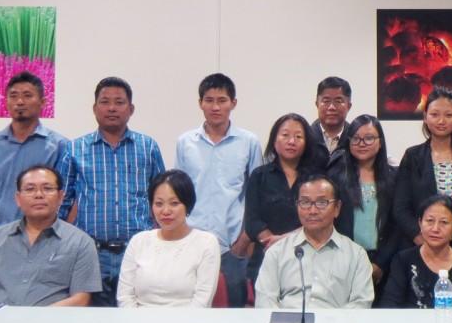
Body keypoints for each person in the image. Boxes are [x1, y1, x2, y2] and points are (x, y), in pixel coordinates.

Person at [57, 77, 165, 306]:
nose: (112, 108)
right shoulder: (75, 149)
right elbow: (62, 203)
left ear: (131, 109)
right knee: (94, 321)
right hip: (91, 253)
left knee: (139, 318)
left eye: (119, 102)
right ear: (95, 108)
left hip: (139, 251)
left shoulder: (148, 147)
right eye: (105, 102)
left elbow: (162, 198)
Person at [175, 73, 262, 307]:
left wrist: (244, 240)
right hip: (191, 242)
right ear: (200, 103)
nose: (215, 107)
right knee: (191, 309)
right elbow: (178, 193)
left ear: (233, 103)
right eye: (209, 100)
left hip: (232, 245)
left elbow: (256, 195)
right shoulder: (185, 142)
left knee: (233, 313)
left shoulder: (249, 142)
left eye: (222, 100)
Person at [0, 166, 101, 307]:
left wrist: (34, 319)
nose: (38, 195)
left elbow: (81, 299)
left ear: (60, 197)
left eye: (47, 188)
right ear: (18, 199)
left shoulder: (80, 242)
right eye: (30, 189)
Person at [392, 87, 452, 260]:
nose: (441, 121)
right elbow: (400, 209)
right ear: (425, 117)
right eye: (434, 114)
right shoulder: (413, 156)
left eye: (449, 115)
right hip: (418, 252)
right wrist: (428, 248)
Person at [254, 175, 374, 309]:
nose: (312, 211)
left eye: (322, 203)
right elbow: (265, 301)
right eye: (305, 202)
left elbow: (361, 303)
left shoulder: (356, 255)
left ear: (337, 208)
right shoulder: (277, 252)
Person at [116, 170, 221, 308]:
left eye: (174, 203)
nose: (165, 211)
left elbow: (202, 302)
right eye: (159, 203)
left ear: (188, 204)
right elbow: (125, 297)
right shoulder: (138, 241)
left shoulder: (206, 243)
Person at [0, 71, 68, 231]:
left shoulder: (59, 145)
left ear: (43, 102)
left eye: (27, 95)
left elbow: (62, 195)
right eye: (13, 96)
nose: (19, 101)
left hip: (41, 233)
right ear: (6, 102)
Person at [244, 113, 327, 279]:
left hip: (308, 255)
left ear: (306, 143)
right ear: (274, 141)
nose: (291, 141)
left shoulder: (317, 179)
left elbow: (321, 217)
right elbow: (253, 221)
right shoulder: (260, 175)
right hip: (266, 257)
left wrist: (285, 241)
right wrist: (273, 245)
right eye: (285, 135)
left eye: (298, 137)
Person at [327, 114, 399, 296]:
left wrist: (381, 263)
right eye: (356, 139)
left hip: (383, 262)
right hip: (342, 261)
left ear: (380, 142)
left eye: (369, 138)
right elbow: (330, 222)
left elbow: (397, 226)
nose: (361, 143)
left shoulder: (395, 177)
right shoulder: (335, 176)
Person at [381, 194, 452, 309]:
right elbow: (389, 306)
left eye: (444, 222)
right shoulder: (403, 260)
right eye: (430, 221)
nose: (435, 229)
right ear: (420, 223)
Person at [308, 76, 353, 157]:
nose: (331, 107)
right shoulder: (306, 138)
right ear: (317, 104)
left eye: (338, 101)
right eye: (326, 101)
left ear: (349, 106)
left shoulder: (355, 140)